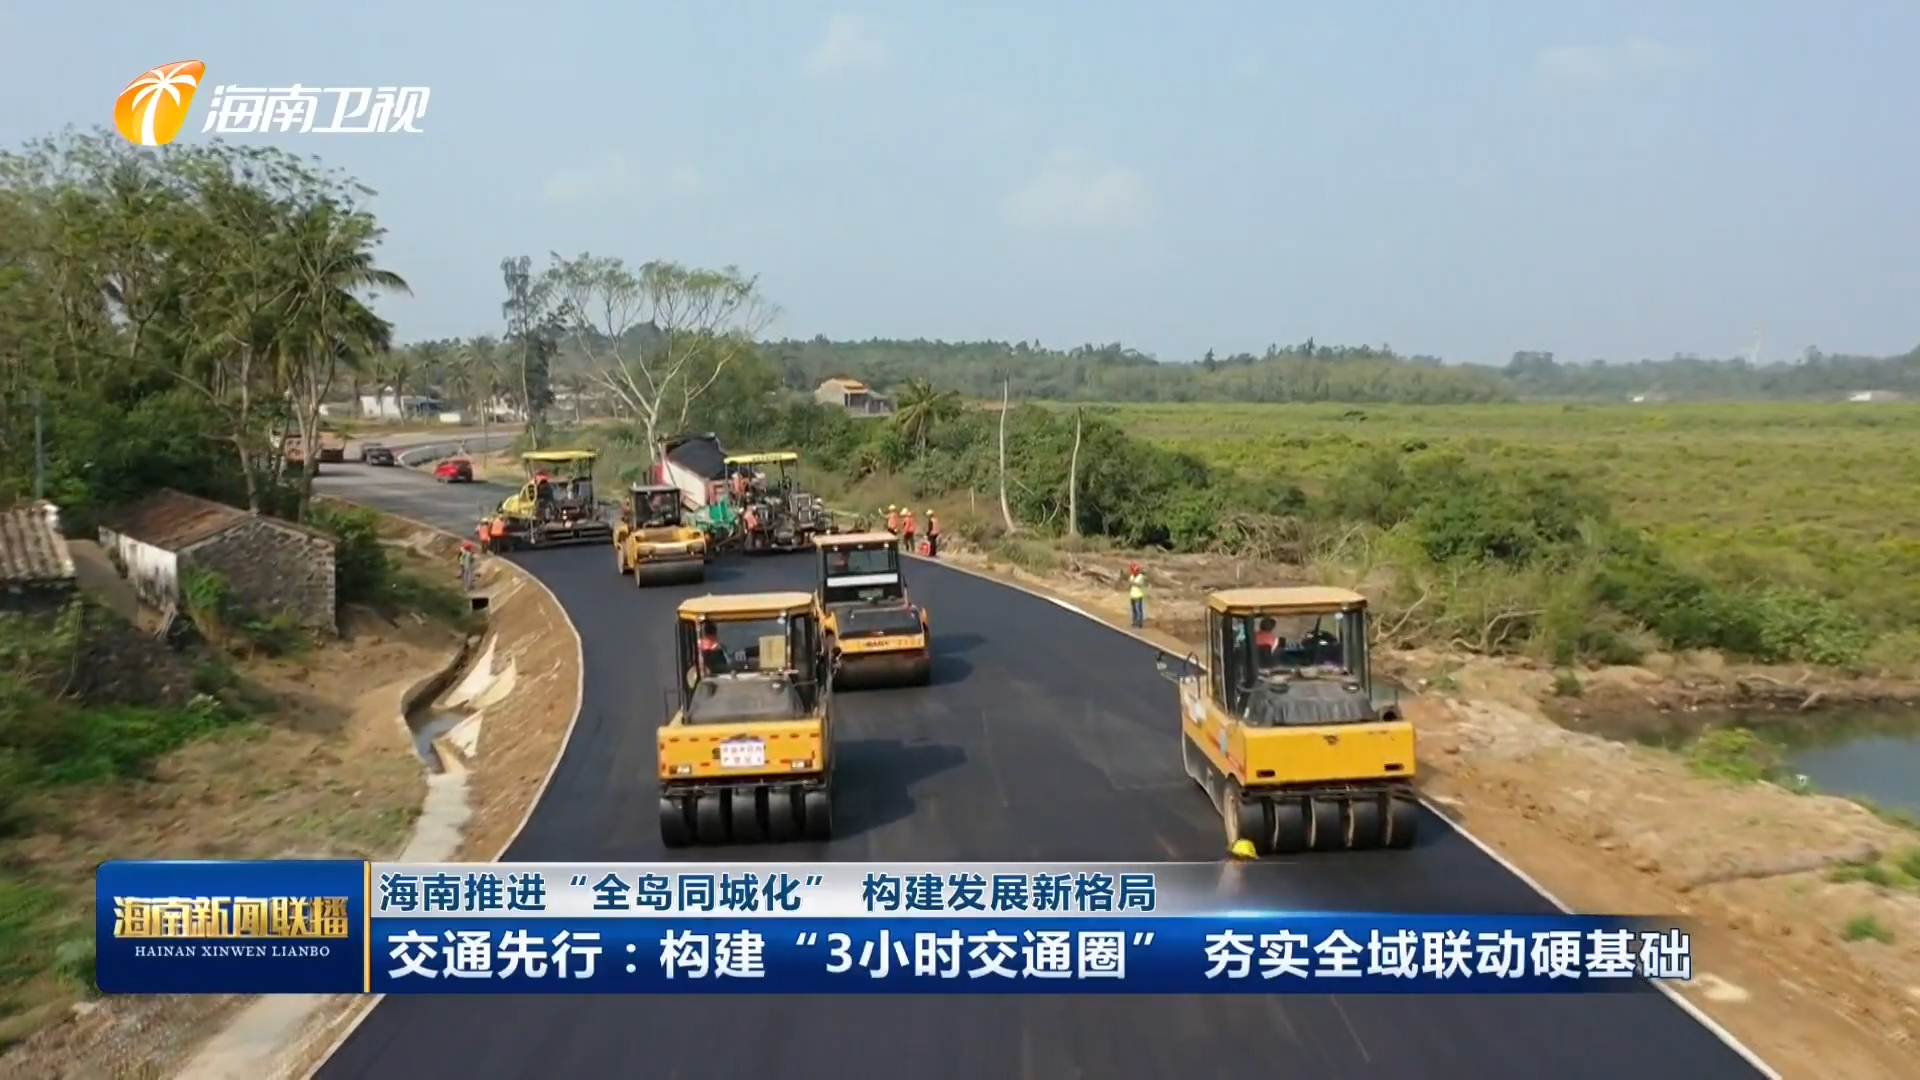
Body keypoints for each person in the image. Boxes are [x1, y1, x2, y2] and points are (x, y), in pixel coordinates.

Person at [1127, 563, 1147, 628]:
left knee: (1138, 610)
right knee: (1134, 610)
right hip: (1132, 595)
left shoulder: (1140, 577)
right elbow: (1130, 583)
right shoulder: (1132, 576)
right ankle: (1134, 622)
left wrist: (1132, 582)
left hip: (1138, 595)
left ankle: (1140, 623)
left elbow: (1138, 583)